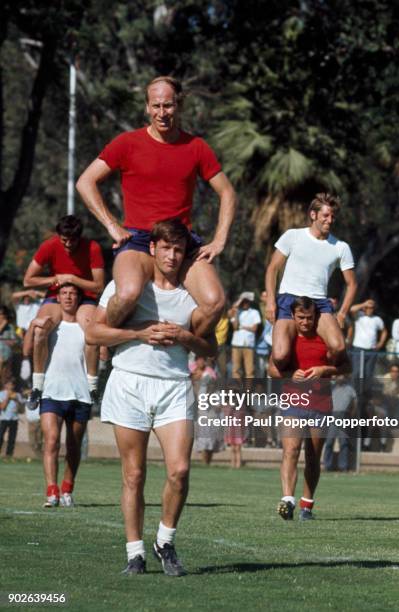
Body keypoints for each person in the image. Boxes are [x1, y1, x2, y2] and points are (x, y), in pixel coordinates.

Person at [85, 218, 217, 577]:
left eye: (179, 249)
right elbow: (94, 333)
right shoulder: (128, 285)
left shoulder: (193, 297)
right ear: (153, 249)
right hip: (129, 383)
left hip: (174, 387)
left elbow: (212, 349)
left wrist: (184, 336)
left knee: (179, 470)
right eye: (167, 248)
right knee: (134, 474)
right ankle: (134, 553)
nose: (173, 256)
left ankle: (165, 540)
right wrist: (138, 333)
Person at [76, 75, 236, 336]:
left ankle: (181, 343)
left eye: (168, 105)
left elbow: (227, 192)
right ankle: (107, 338)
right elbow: (85, 182)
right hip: (138, 238)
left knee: (215, 302)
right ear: (147, 107)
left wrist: (219, 241)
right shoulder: (127, 143)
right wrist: (112, 226)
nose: (162, 113)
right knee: (127, 294)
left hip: (180, 241)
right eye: (156, 106)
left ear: (179, 106)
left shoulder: (196, 147)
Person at [273, 297, 351, 521]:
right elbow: (271, 368)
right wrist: (290, 375)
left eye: (309, 317)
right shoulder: (285, 338)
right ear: (293, 317)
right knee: (291, 450)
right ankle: (288, 500)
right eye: (300, 318)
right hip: (293, 403)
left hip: (320, 405)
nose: (305, 322)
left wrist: (324, 369)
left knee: (313, 457)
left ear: (316, 317)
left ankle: (307, 506)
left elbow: (348, 367)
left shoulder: (326, 338)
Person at [265, 192, 357, 374]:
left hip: (320, 302)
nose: (330, 220)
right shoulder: (293, 236)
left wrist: (342, 314)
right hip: (288, 299)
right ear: (313, 215)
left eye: (332, 216)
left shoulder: (341, 247)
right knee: (281, 355)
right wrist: (270, 301)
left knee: (338, 347)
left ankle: (324, 372)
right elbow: (272, 269)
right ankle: (282, 371)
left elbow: (352, 284)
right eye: (325, 215)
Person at [22, 215, 105, 407]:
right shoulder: (49, 246)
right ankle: (37, 387)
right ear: (58, 236)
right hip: (56, 295)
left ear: (80, 237)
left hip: (85, 296)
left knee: (91, 331)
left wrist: (73, 279)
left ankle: (93, 387)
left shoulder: (92, 247)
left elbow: (98, 286)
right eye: (64, 240)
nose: (68, 244)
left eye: (72, 240)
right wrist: (53, 280)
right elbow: (28, 280)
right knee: (41, 329)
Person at [31, 284, 93, 508]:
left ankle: (67, 487)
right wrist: (34, 324)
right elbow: (31, 347)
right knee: (52, 441)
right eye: (64, 293)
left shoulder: (87, 328)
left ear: (79, 298)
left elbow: (100, 353)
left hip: (80, 393)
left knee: (74, 445)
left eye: (73, 293)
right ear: (58, 298)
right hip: (51, 392)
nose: (68, 297)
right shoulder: (50, 327)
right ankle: (52, 491)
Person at [350, 299, 387, 391]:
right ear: (364, 308)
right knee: (357, 373)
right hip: (359, 349)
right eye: (368, 307)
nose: (370, 309)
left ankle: (366, 394)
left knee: (368, 374)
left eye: (372, 308)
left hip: (371, 350)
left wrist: (381, 343)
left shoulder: (377, 319)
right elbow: (352, 309)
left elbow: (384, 331)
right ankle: (355, 392)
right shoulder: (359, 316)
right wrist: (364, 304)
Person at [323, 375, 357, 472]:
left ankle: (343, 466)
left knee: (343, 442)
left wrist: (351, 415)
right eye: (338, 376)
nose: (340, 378)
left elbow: (355, 402)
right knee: (329, 442)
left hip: (344, 415)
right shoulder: (331, 388)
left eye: (342, 376)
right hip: (332, 415)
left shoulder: (350, 389)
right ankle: (327, 466)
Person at [229, 292, 261, 379]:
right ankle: (237, 391)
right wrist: (238, 305)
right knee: (235, 370)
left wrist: (243, 327)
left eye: (246, 301)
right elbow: (235, 327)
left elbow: (254, 329)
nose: (245, 303)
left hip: (248, 345)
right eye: (243, 302)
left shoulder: (255, 312)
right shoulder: (236, 313)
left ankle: (248, 391)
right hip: (236, 344)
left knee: (249, 371)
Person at [0, 379, 23, 457]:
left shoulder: (18, 395)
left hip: (14, 419)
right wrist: (7, 397)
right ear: (5, 385)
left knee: (12, 438)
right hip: (4, 419)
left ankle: (9, 455)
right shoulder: (1, 394)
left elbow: (21, 410)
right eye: (9, 384)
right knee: (0, 436)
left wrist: (17, 400)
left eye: (12, 385)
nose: (10, 386)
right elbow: (2, 407)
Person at [0, 306, 19, 385]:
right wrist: (2, 326)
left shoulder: (10, 327)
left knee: (5, 371)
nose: (1, 316)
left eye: (2, 314)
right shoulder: (5, 325)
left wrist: (11, 342)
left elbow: (15, 340)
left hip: (7, 353)